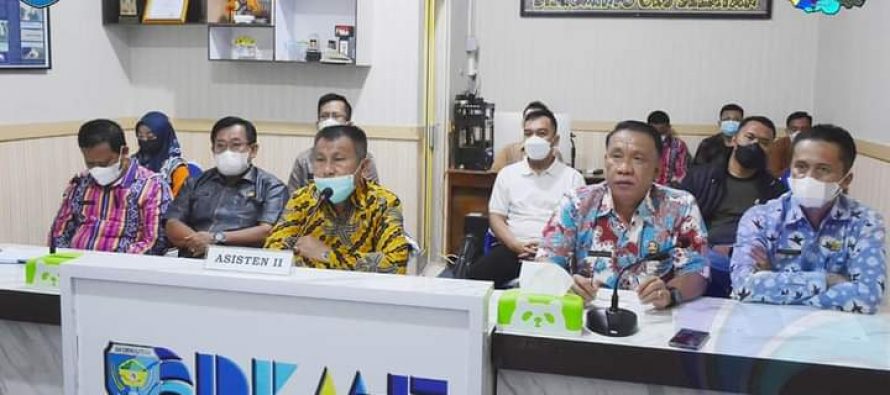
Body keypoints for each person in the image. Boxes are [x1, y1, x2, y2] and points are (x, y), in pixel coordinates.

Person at [538, 121, 709, 309]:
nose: (624, 168)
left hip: (655, 317)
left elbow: (698, 271)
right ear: (605, 161)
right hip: (587, 315)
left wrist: (670, 293)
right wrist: (566, 285)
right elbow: (547, 261)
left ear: (657, 169)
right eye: (616, 156)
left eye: (638, 159)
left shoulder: (680, 206)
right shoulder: (577, 203)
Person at [731, 125, 886, 313]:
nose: (809, 177)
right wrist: (829, 280)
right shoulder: (760, 218)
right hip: (769, 328)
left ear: (846, 179)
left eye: (823, 169)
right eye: (801, 167)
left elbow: (867, 296)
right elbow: (744, 286)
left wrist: (772, 280)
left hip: (838, 331)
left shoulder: (865, 222)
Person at [266, 125, 410, 273]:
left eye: (338, 159)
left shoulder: (384, 202)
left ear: (364, 166)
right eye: (320, 159)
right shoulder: (302, 199)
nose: (327, 170)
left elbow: (396, 264)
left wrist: (328, 255)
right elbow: (274, 251)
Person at [467, 108, 584, 288]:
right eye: (528, 134)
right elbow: (496, 217)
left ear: (555, 140)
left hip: (556, 254)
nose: (534, 139)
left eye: (542, 133)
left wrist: (549, 249)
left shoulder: (572, 178)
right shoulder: (508, 174)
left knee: (563, 288)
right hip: (512, 250)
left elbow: (580, 225)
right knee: (474, 279)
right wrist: (515, 245)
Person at [681, 116, 787, 297]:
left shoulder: (775, 190)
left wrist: (737, 250)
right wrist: (708, 246)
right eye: (750, 137)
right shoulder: (700, 177)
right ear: (734, 140)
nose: (755, 145)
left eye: (764, 142)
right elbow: (680, 221)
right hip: (705, 251)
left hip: (749, 257)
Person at [165, 117, 288, 258]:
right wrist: (199, 242)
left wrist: (216, 239)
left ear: (253, 150)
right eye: (221, 146)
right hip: (194, 257)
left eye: (236, 145)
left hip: (241, 264)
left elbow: (267, 231)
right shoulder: (195, 182)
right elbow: (172, 222)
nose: (227, 152)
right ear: (213, 149)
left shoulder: (272, 187)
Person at [49, 119, 171, 255]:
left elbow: (153, 243)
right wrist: (61, 261)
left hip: (123, 268)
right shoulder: (80, 182)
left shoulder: (152, 186)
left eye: (104, 163)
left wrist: (109, 264)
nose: (97, 170)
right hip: (75, 263)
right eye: (91, 163)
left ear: (124, 152)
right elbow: (59, 232)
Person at [287, 93, 380, 193]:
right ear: (317, 124)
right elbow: (293, 196)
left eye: (336, 116)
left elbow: (373, 194)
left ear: (348, 124)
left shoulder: (363, 158)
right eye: (324, 116)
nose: (329, 120)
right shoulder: (304, 160)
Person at [491, 101, 565, 172]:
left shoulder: (555, 153)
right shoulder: (508, 152)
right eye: (529, 118)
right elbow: (491, 178)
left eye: (541, 133)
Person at [132, 111, 191, 198]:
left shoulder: (176, 168)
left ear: (163, 137)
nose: (144, 140)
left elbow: (181, 203)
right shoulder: (133, 162)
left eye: (150, 136)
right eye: (140, 136)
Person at [647, 110, 690, 187]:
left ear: (668, 128)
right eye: (655, 133)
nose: (659, 137)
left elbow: (681, 173)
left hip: (669, 189)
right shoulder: (641, 144)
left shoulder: (678, 145)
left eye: (662, 133)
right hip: (644, 187)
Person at [767, 111, 813, 178]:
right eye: (794, 129)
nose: (799, 133)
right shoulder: (777, 146)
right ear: (787, 131)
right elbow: (773, 174)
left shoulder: (818, 147)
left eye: (804, 129)